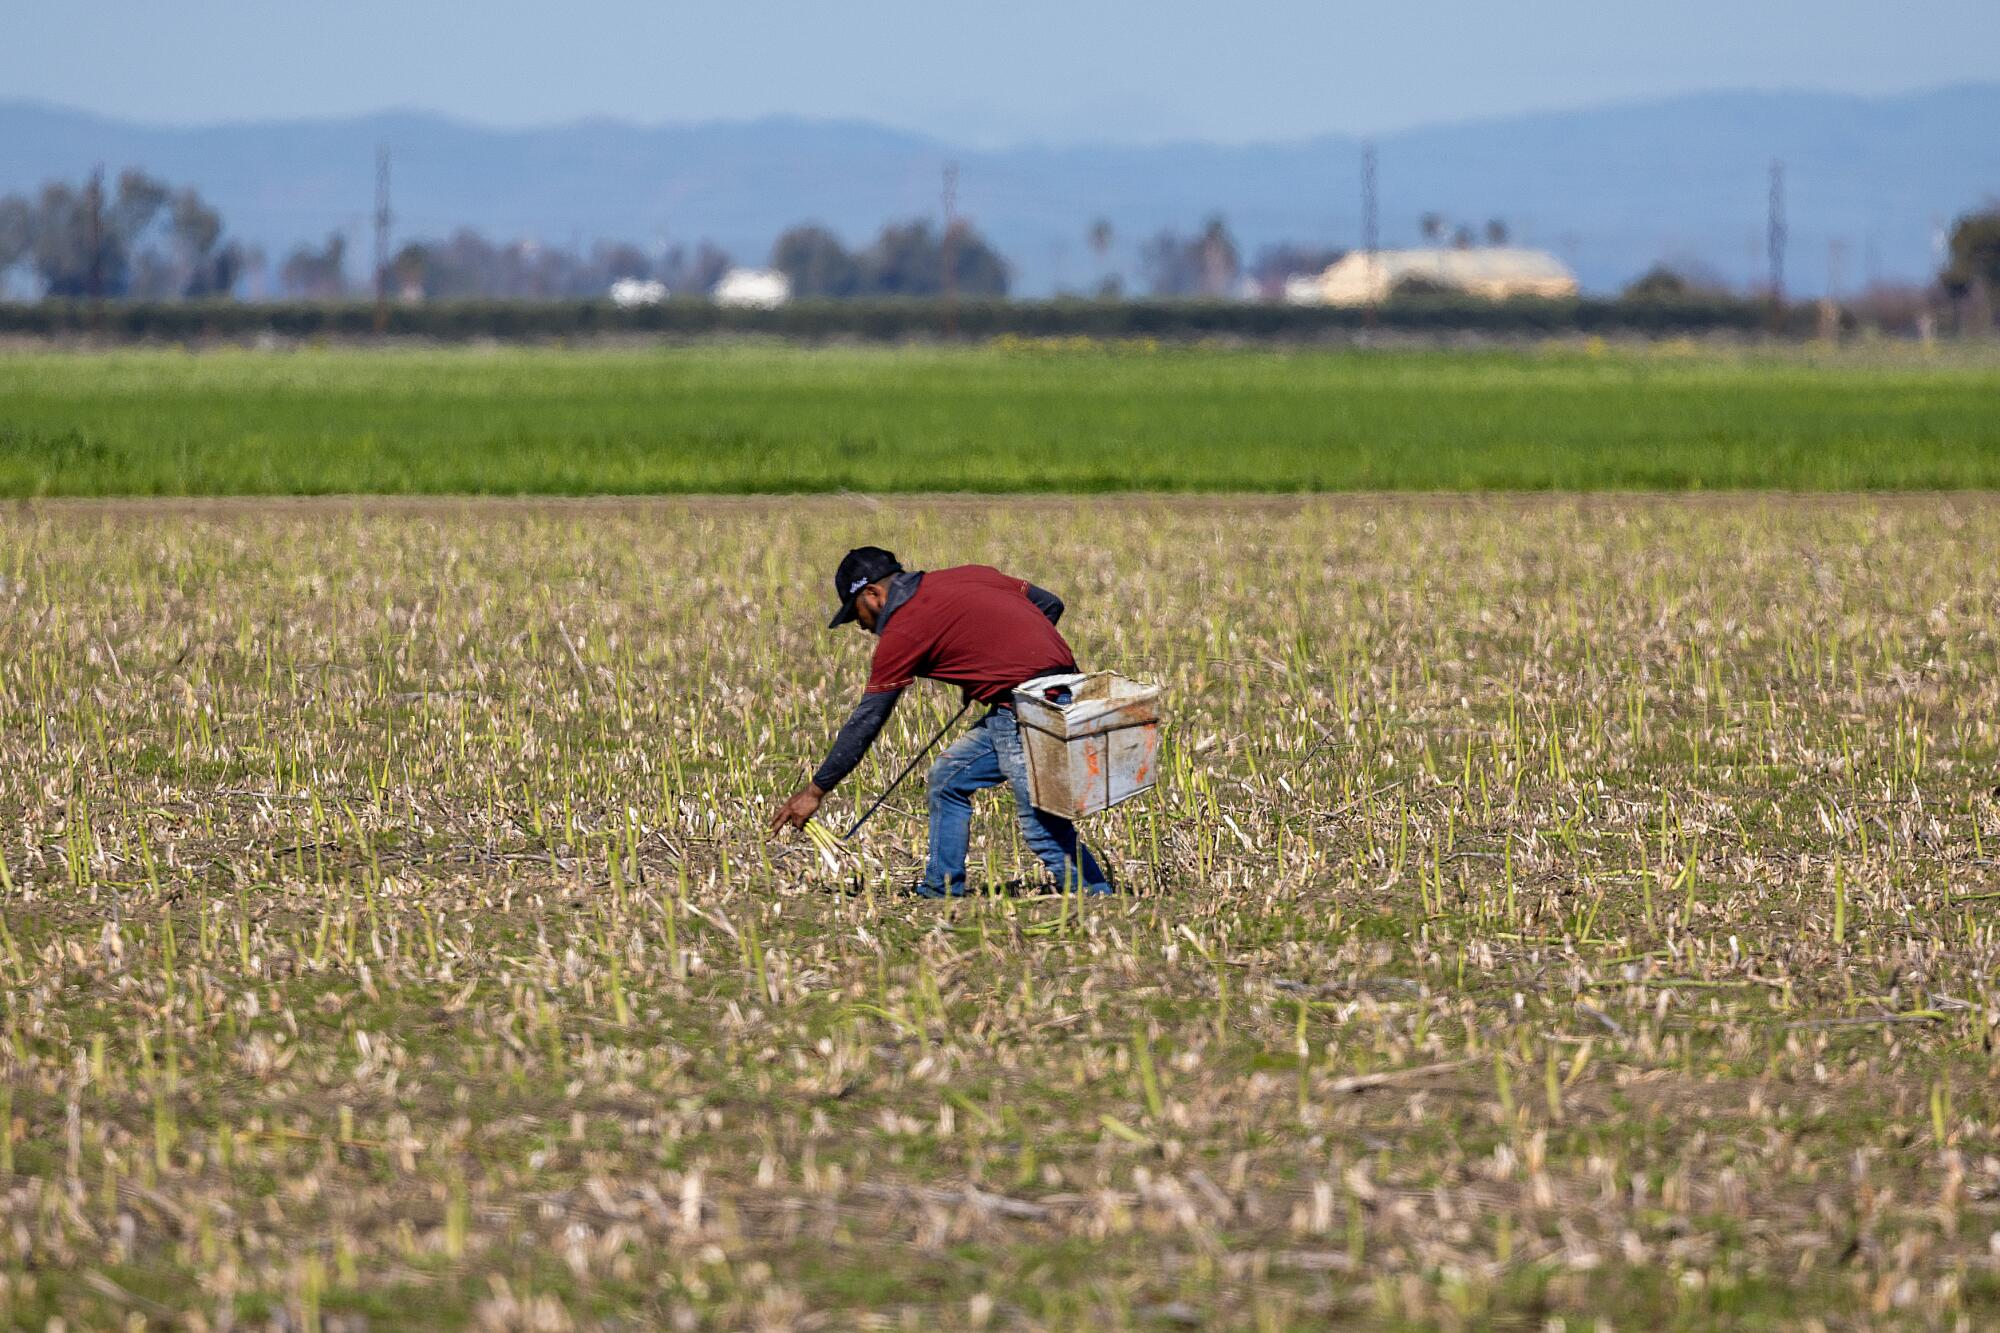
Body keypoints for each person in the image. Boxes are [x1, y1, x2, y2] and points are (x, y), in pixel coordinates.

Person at [769, 546, 1113, 897]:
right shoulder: (970, 575)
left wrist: (815, 791)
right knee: (948, 778)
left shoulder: (902, 630)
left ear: (872, 594)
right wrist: (997, 660)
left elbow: (868, 718)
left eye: (854, 612)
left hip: (1026, 708)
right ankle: (941, 887)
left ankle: (1095, 896)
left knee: (1041, 821)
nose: (859, 625)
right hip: (1066, 691)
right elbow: (1050, 604)